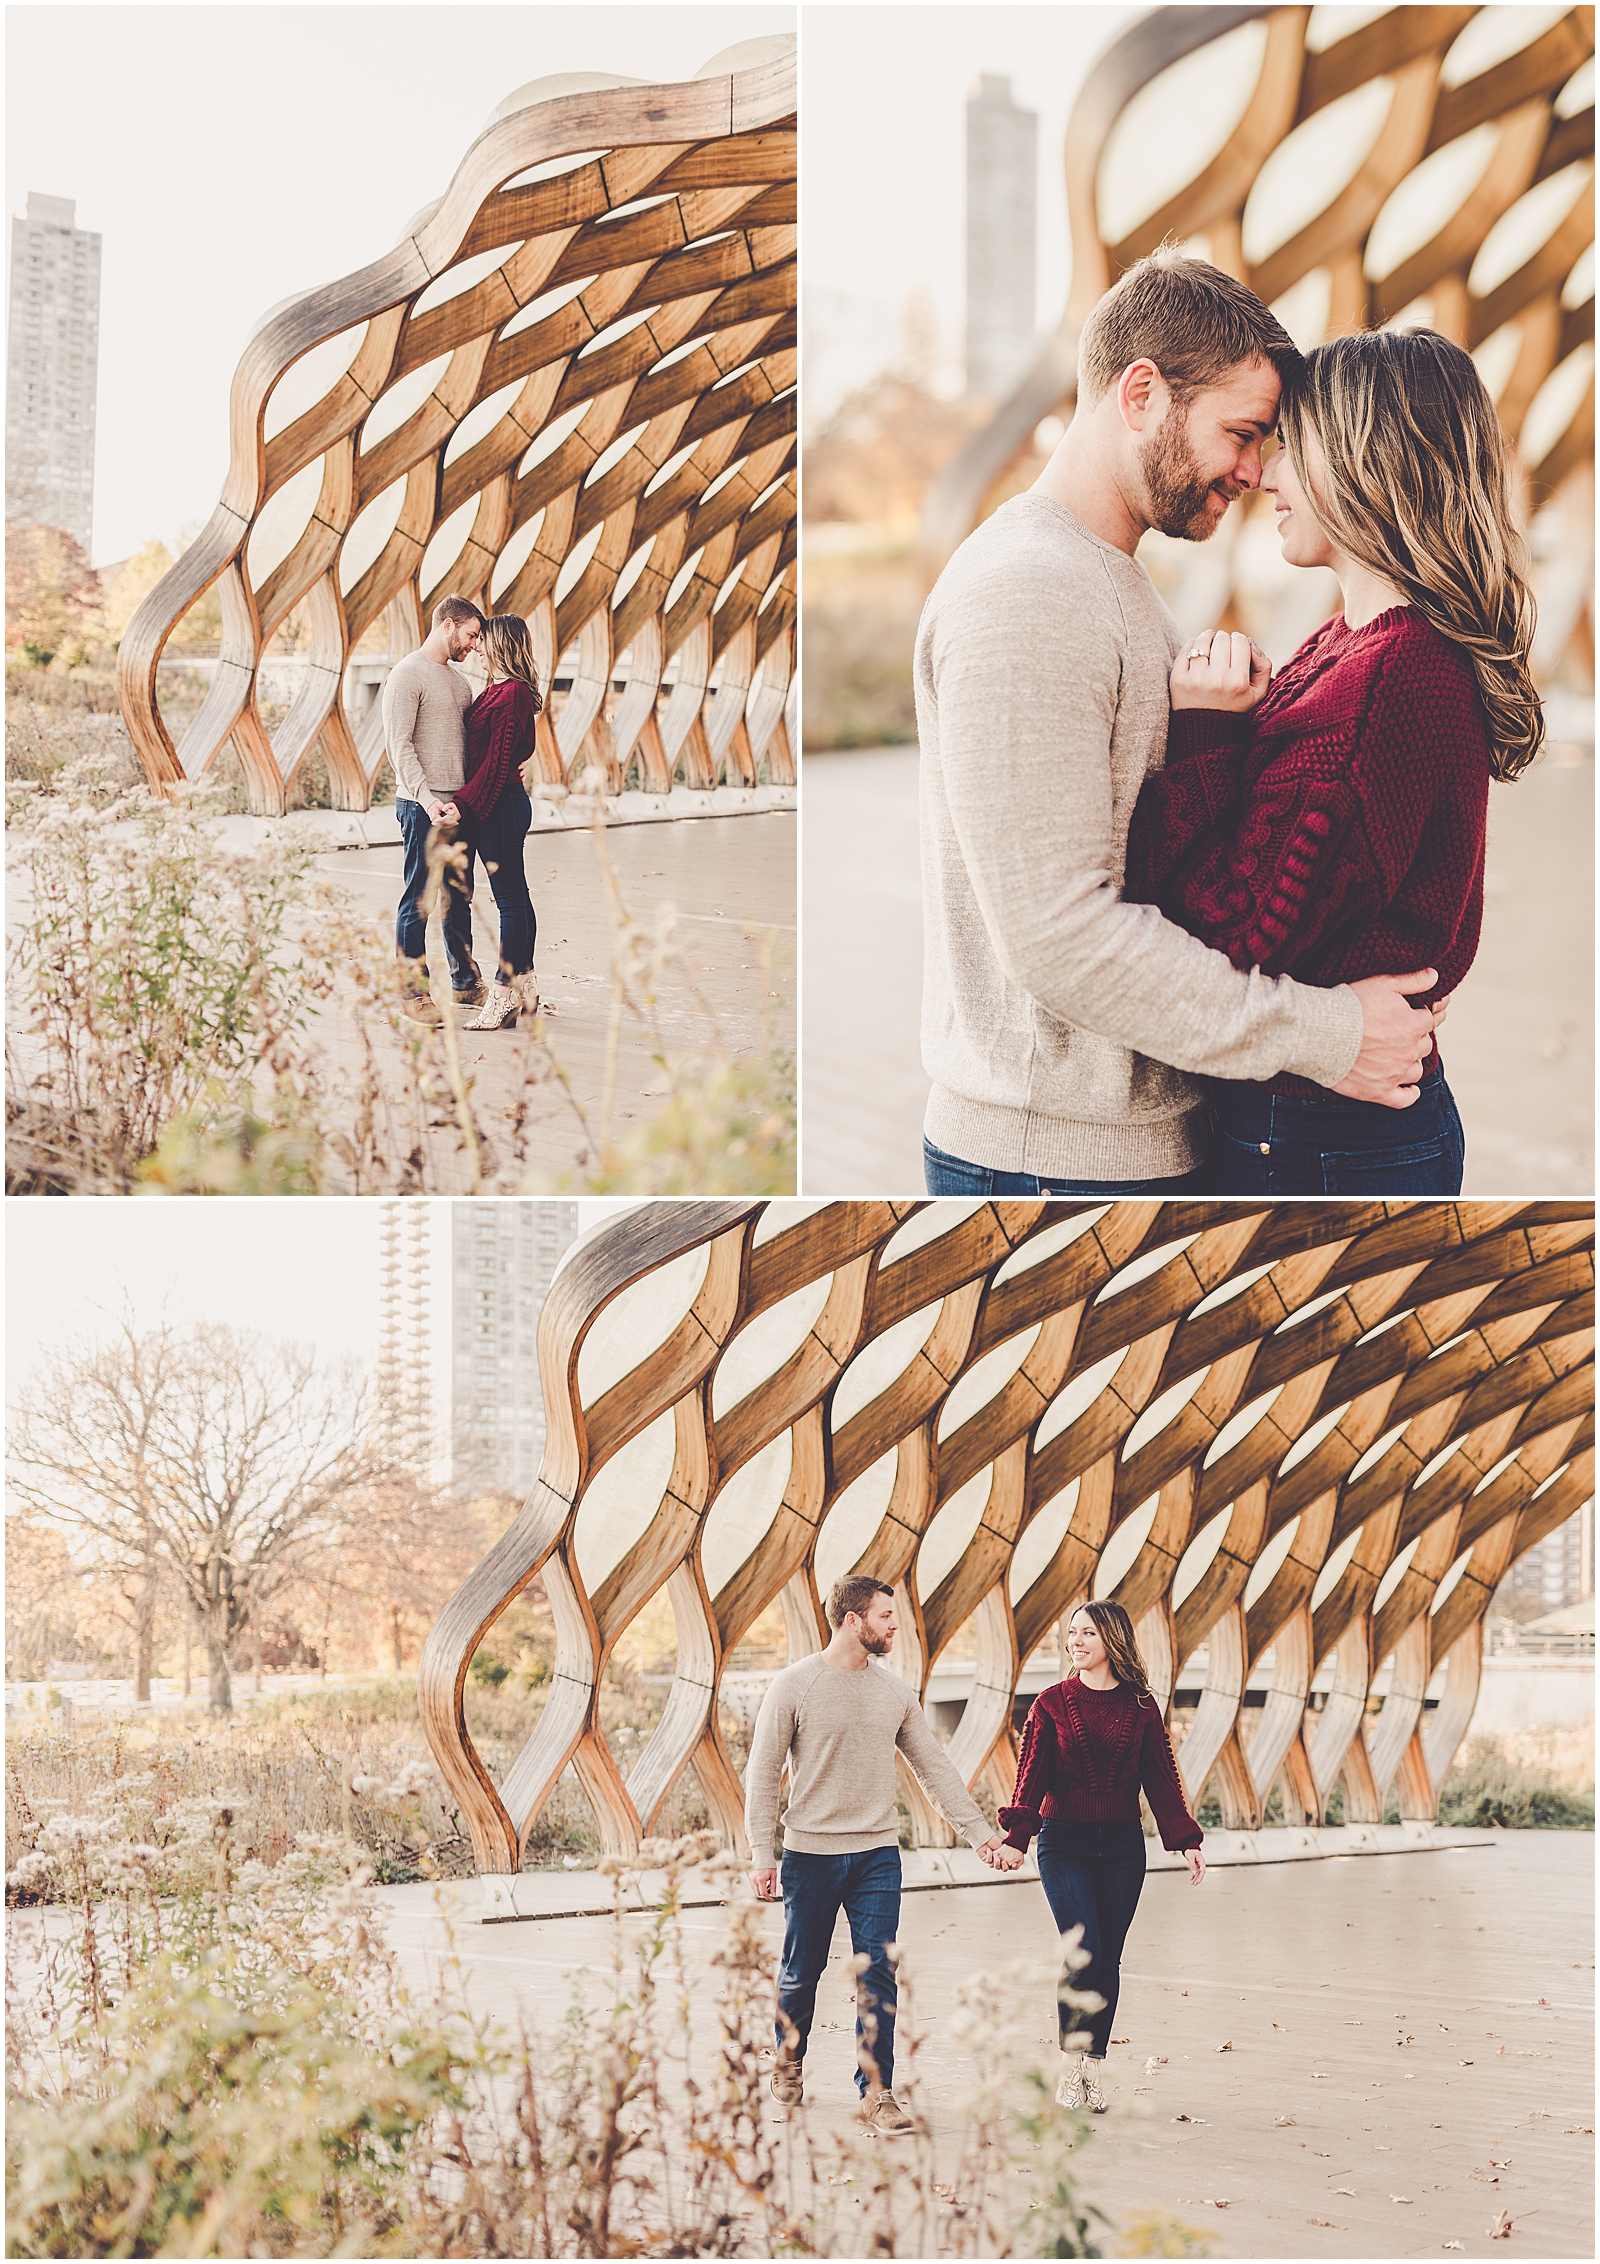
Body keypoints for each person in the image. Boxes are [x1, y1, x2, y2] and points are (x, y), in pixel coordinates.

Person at [916, 250, 1439, 1198]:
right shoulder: (1028, 592)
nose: (1252, 469)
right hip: (1052, 1161)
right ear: (1142, 393)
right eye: (1240, 433)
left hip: (1120, 1146)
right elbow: (1060, 935)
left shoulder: (1106, 578)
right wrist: (1327, 1036)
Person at [1123, 327, 1540, 1194]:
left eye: (1290, 449)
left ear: (1361, 464)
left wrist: (1203, 729)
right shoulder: (1361, 643)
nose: (1265, 476)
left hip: (1319, 1136)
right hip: (1324, 1119)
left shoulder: (1388, 680)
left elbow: (1227, 935)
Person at [744, 1575, 1013, 2135]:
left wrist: (981, 1835)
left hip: (876, 1856)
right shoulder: (794, 1685)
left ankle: (877, 2092)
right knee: (801, 1971)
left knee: (879, 1974)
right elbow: (764, 1773)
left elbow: (933, 1769)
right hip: (809, 1855)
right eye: (886, 1616)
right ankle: (788, 2058)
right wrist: (760, 1854)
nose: (896, 1626)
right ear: (852, 1620)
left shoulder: (895, 1693)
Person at [984, 1601, 1203, 2114]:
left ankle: (1093, 2070)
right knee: (1082, 1952)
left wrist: (1185, 1839)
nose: (1075, 1641)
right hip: (1065, 1844)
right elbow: (1030, 1776)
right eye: (1071, 1633)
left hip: (1123, 1847)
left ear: (1112, 1639)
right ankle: (1070, 2064)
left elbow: (1161, 1778)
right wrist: (1017, 1838)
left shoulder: (1142, 1707)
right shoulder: (1051, 1704)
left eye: (1086, 1633)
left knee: (1108, 1959)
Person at [381, 594, 486, 1024]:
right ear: (448, 625)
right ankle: (413, 994)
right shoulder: (407, 675)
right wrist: (427, 800)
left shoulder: (460, 684)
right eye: (471, 635)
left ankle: (464, 983)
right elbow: (398, 745)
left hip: (458, 810)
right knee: (418, 901)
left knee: (458, 900)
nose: (475, 645)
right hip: (422, 808)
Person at [445, 612, 545, 1030]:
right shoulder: (496, 690)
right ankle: (527, 984)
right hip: (496, 803)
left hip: (499, 806)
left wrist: (461, 806)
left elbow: (497, 763)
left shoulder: (514, 693)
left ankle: (503, 995)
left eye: (484, 640)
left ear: (503, 644)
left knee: (509, 901)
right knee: (516, 897)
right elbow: (514, 750)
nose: (477, 647)